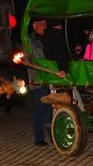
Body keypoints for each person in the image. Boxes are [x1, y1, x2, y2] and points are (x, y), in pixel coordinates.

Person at [28, 17, 66, 146]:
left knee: (51, 109)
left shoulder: (47, 38)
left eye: (45, 24)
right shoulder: (29, 40)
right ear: (35, 25)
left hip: (51, 78)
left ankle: (53, 137)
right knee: (41, 108)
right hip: (38, 79)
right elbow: (29, 60)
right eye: (42, 24)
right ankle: (38, 138)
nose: (45, 27)